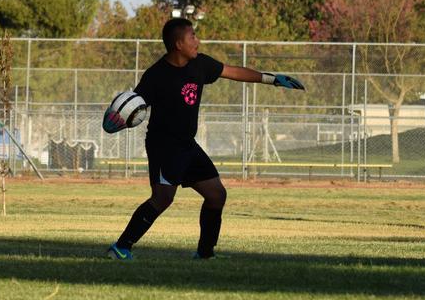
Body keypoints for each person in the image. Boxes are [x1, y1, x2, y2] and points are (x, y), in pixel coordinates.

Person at [107, 17, 303, 260]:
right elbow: (132, 106)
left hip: (187, 145)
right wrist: (118, 118)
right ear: (178, 44)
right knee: (162, 198)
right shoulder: (156, 75)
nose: (197, 41)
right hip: (164, 146)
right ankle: (121, 247)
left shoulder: (200, 64)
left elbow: (232, 71)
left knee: (216, 195)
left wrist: (270, 78)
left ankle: (205, 254)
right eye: (192, 36)